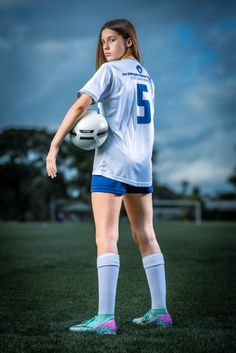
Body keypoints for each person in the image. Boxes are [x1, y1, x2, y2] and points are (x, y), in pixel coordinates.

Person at [46, 18, 173, 335]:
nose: (105, 46)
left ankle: (105, 318)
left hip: (112, 164)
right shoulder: (147, 77)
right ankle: (160, 311)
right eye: (103, 41)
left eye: (112, 40)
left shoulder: (109, 72)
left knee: (106, 237)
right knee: (146, 236)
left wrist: (54, 145)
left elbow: (79, 107)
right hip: (141, 165)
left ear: (129, 41)